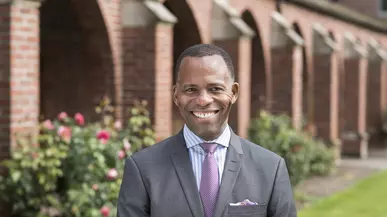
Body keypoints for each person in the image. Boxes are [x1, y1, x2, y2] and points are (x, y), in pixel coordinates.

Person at [117, 44, 297, 217]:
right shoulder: (142, 169)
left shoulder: (270, 168)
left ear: (234, 92)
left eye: (215, 89)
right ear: (176, 95)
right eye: (191, 89)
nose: (203, 100)